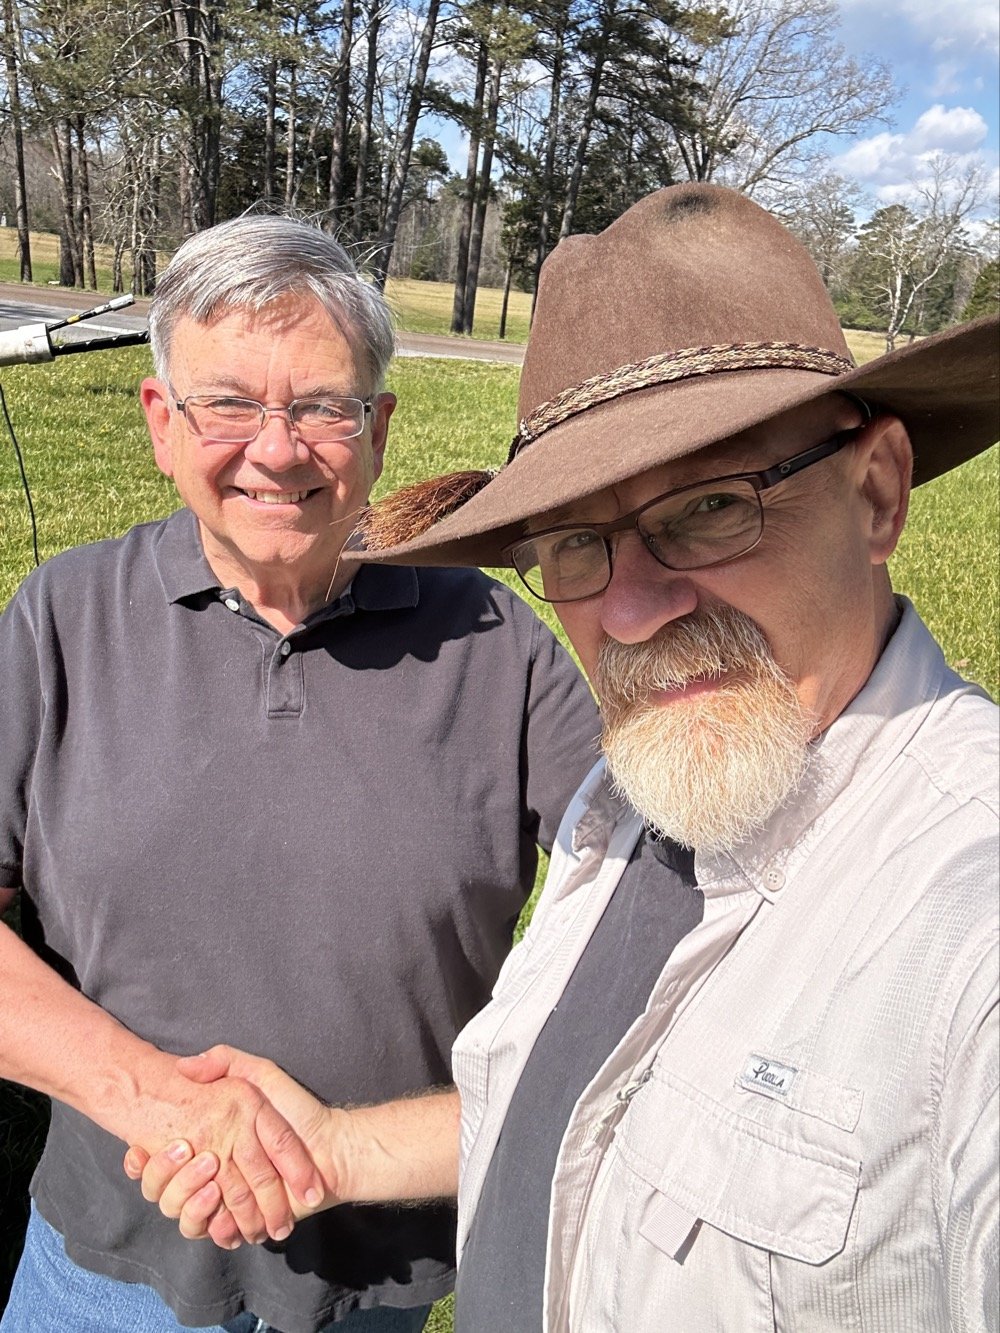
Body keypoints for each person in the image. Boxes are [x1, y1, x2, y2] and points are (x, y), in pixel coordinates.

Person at [130, 186, 999, 1331]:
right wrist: (337, 1148)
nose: (630, 610)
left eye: (706, 509)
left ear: (876, 491)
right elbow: (565, 1098)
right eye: (578, 541)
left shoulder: (965, 911)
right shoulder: (639, 792)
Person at [0, 215, 601, 1333]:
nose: (275, 450)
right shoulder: (59, 624)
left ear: (376, 431)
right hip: (103, 1270)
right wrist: (160, 1105)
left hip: (376, 1277)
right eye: (227, 403)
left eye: (321, 407)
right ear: (160, 424)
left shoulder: (488, 639)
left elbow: (651, 899)